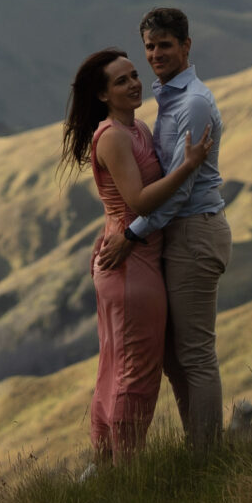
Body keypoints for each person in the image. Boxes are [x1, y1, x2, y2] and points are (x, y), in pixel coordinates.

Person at [62, 48, 210, 461]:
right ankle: (128, 467)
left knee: (117, 362)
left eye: (133, 75)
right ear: (103, 95)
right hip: (130, 268)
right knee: (136, 372)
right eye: (121, 81)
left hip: (133, 257)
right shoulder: (112, 136)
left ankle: (106, 460)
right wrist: (188, 166)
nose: (133, 84)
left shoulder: (138, 129)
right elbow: (140, 202)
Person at [95, 6, 230, 449]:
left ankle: (207, 457)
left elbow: (180, 190)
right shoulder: (166, 98)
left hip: (194, 231)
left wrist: (132, 234)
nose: (156, 54)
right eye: (150, 46)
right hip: (175, 236)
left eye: (165, 45)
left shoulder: (190, 104)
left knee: (194, 354)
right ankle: (199, 448)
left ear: (187, 46)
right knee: (174, 357)